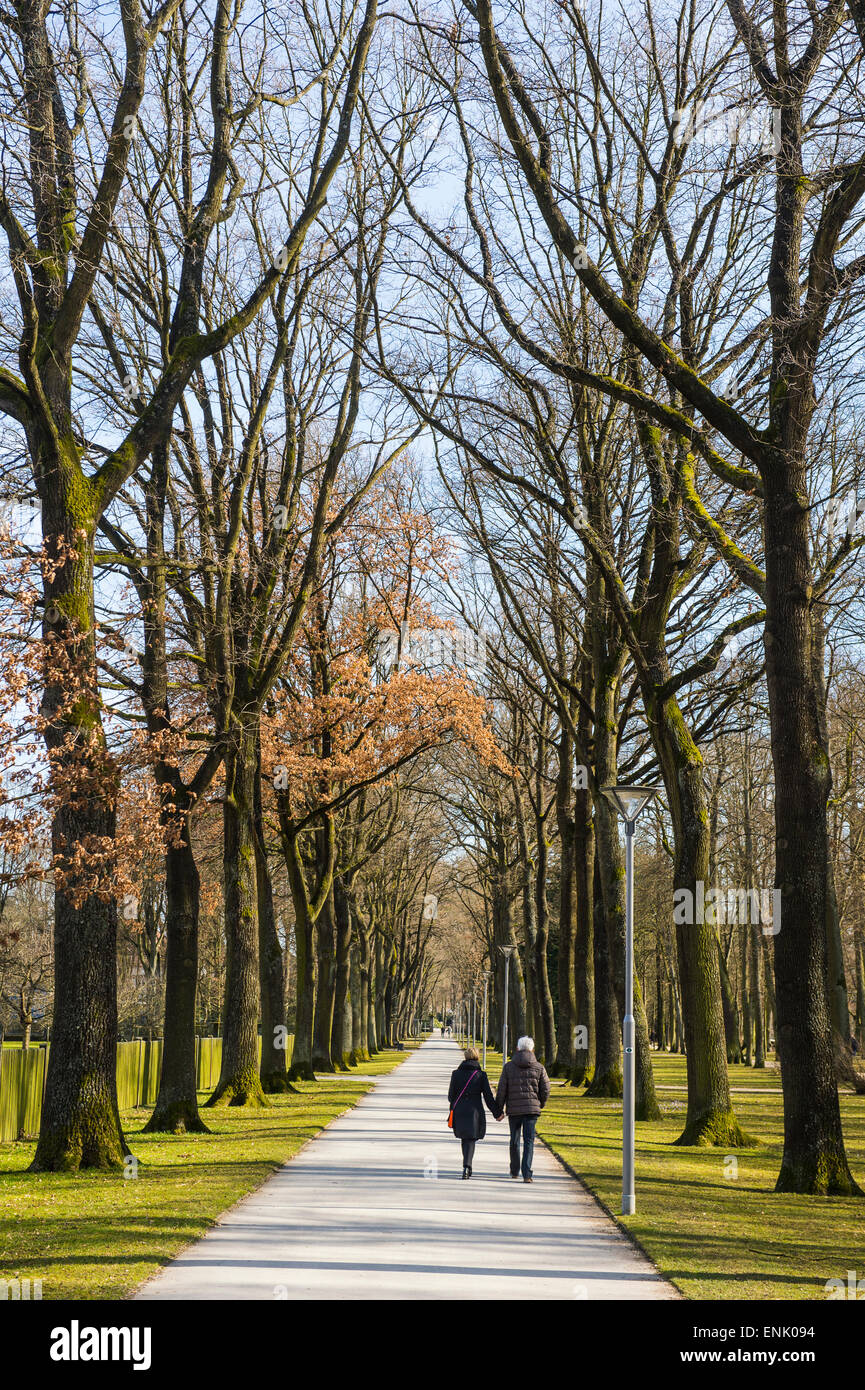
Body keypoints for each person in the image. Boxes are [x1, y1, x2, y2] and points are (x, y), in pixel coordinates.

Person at [494, 1035, 550, 1183]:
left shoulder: (508, 1067)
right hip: (531, 1110)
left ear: (517, 1048)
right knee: (529, 1141)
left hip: (514, 1110)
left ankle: (514, 1171)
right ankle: (527, 1174)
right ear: (532, 1049)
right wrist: (540, 1103)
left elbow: (502, 1090)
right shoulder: (539, 1067)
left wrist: (498, 1109)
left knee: (514, 1139)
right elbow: (546, 1089)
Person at [448, 1046, 501, 1178]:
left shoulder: (456, 1073)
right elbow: (488, 1097)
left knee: (465, 1139)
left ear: (465, 1057)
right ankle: (467, 1166)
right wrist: (497, 1113)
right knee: (470, 1139)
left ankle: (467, 1165)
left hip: (460, 1111)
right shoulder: (481, 1075)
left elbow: (450, 1096)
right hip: (474, 1112)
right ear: (477, 1057)